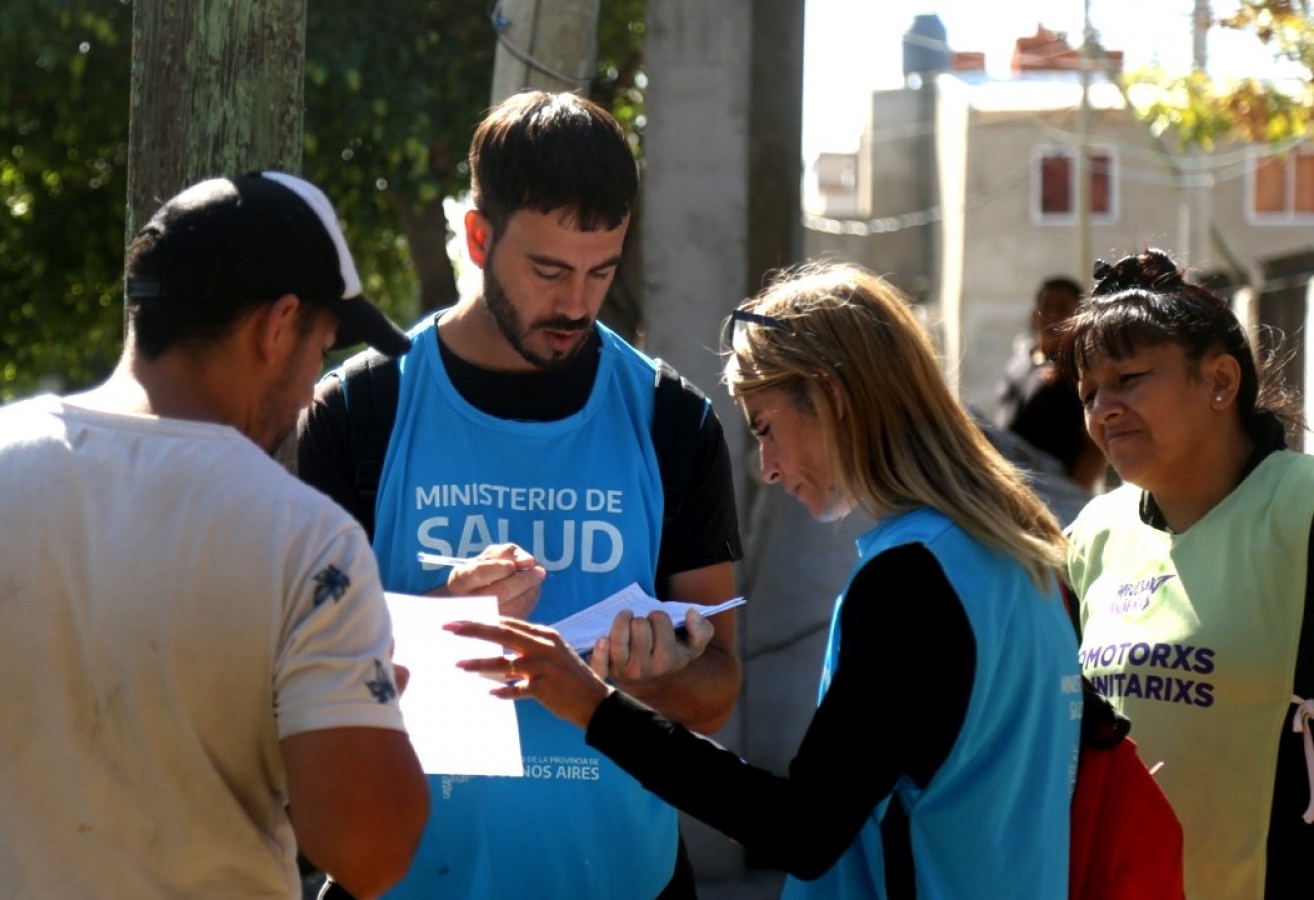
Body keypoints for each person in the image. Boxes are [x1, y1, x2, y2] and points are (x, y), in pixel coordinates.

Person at [0, 172, 430, 900]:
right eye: (322, 351)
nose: (310, 390)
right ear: (278, 326)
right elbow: (369, 852)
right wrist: (367, 712)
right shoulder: (308, 542)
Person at [449, 262, 1082, 898]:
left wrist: (593, 706)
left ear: (831, 397)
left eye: (765, 428)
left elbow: (800, 829)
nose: (767, 468)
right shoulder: (1021, 557)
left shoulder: (913, 580)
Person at [295, 90, 744, 899]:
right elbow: (296, 681)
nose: (575, 304)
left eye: (601, 272)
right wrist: (438, 619)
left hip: (627, 883)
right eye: (549, 271)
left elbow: (718, 692)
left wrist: (653, 679)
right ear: (478, 237)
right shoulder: (361, 411)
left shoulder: (673, 420)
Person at [1059, 249, 1313, 899]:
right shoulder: (1092, 535)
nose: (1103, 409)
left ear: (1220, 381)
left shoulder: (1302, 510)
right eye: (1089, 393)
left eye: (1129, 379)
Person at [994, 276, 1106, 491]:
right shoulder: (1018, 362)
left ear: (1079, 316)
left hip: (1057, 489)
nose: (1053, 314)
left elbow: (1095, 445)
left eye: (1062, 308)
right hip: (1012, 484)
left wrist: (1075, 494)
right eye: (1047, 307)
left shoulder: (1084, 370)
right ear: (1034, 314)